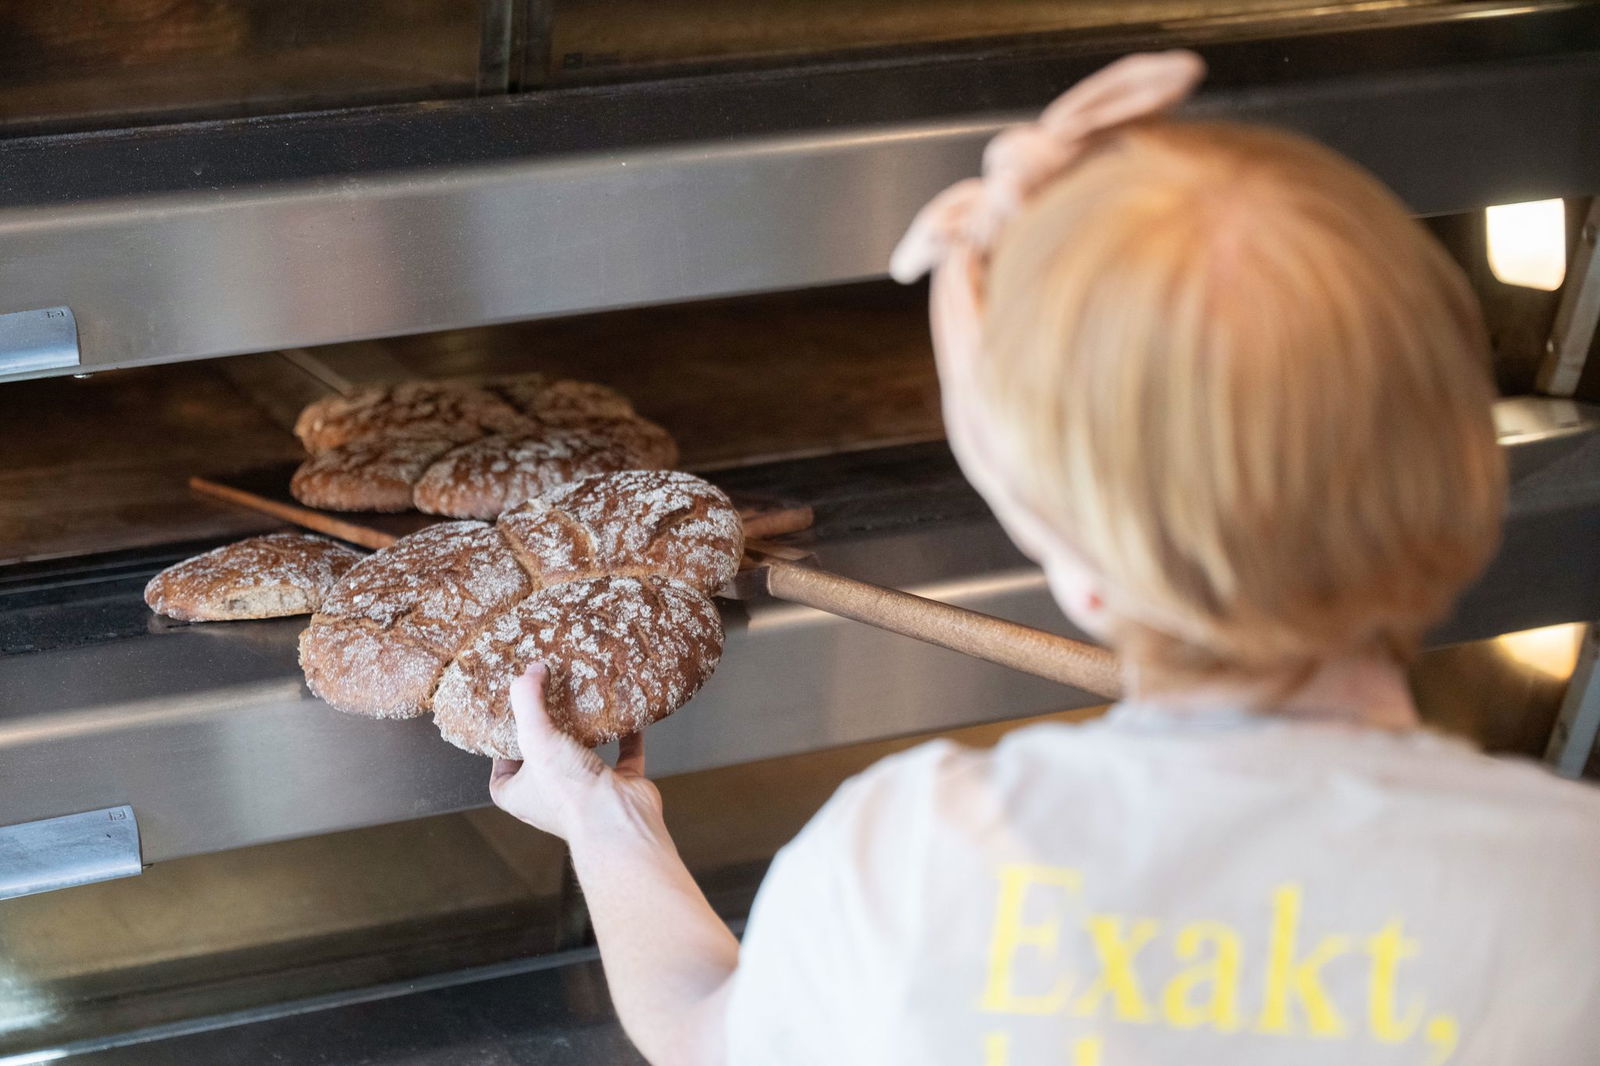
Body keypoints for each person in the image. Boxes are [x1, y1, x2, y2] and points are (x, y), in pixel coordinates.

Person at [488, 51, 1600, 1066]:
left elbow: (700, 1029)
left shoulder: (916, 852)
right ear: (1460, 476)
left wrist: (604, 818)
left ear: (1069, 554)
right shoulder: (1570, 886)